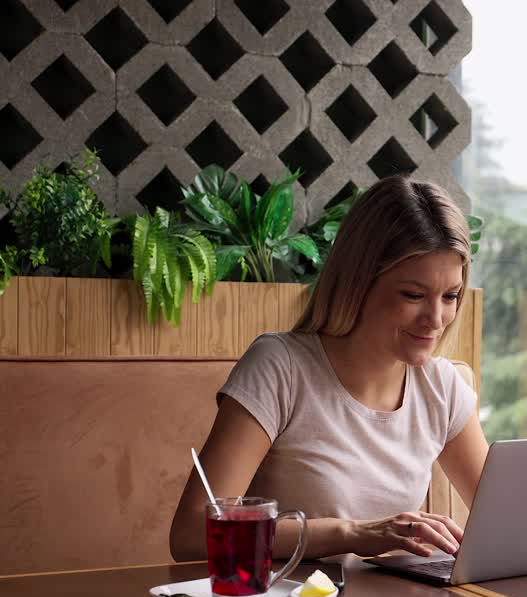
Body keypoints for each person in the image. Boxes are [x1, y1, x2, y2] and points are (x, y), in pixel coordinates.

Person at [168, 175, 488, 565]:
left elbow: (506, 522)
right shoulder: (280, 367)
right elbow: (190, 536)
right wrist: (350, 533)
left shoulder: (442, 387)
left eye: (451, 296)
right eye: (413, 295)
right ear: (359, 281)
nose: (436, 319)